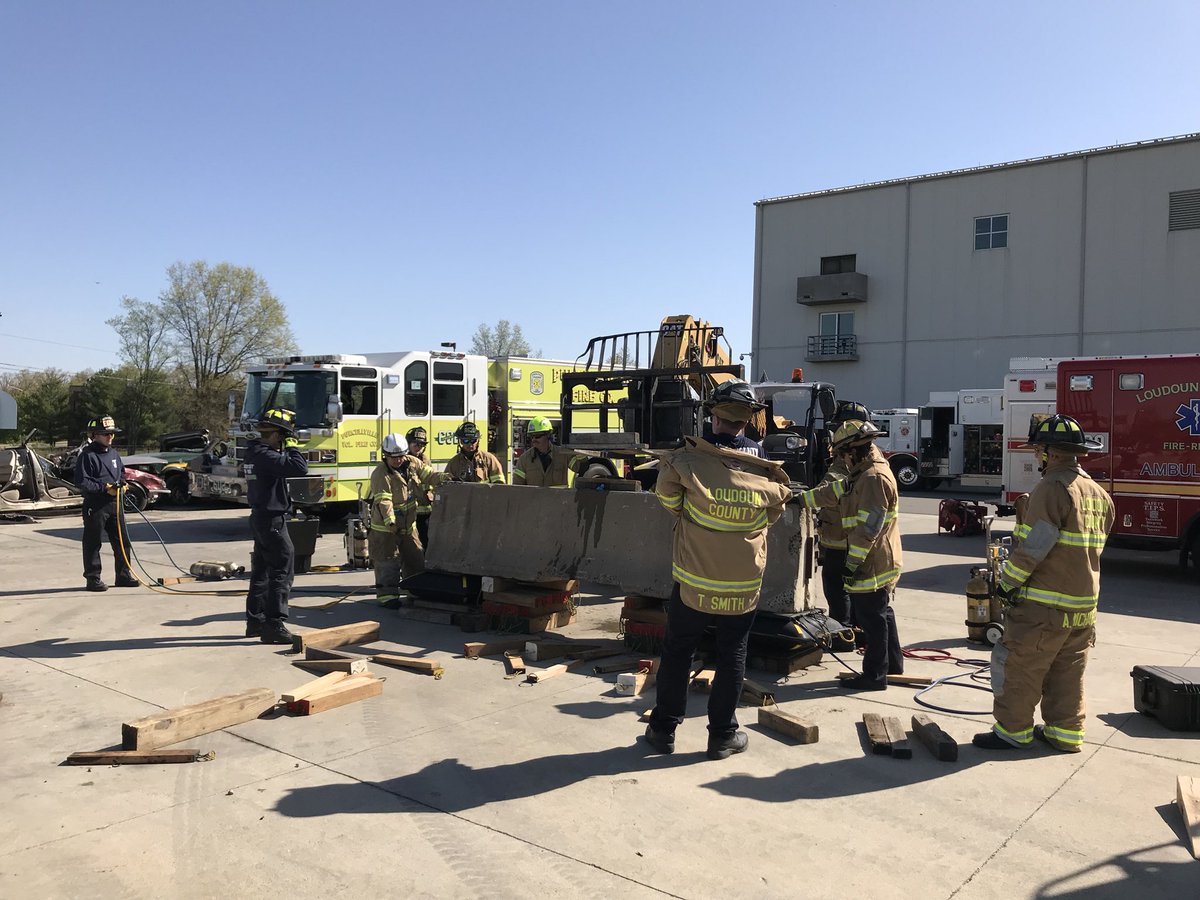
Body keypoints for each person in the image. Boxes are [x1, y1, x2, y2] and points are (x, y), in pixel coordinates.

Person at [644, 381, 793, 760]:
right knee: (732, 656)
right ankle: (723, 736)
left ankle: (663, 731)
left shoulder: (688, 460)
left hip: (694, 582)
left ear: (713, 416)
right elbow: (772, 516)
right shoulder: (765, 470)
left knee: (678, 652)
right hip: (742, 588)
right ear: (747, 421)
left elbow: (667, 499)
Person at [973, 414, 1114, 753]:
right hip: (1083, 606)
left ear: (1050, 452)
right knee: (1067, 671)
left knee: (1019, 664)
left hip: (1045, 606)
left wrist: (1006, 583)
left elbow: (1034, 546)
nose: (1037, 457)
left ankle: (1013, 732)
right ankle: (1065, 735)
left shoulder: (1051, 487)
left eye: (1038, 451)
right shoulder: (1097, 493)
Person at [800, 419, 904, 690]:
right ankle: (892, 665)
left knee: (872, 620)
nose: (841, 459)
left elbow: (867, 529)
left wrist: (851, 564)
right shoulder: (862, 472)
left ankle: (874, 677)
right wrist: (800, 499)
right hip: (877, 557)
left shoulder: (872, 478)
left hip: (871, 561)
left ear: (852, 450)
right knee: (882, 613)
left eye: (842, 454)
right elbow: (833, 493)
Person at [243, 407, 308, 644]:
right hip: (272, 520)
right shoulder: (267, 457)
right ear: (279, 435)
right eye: (284, 436)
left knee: (261, 571)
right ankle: (274, 624)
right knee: (282, 569)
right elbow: (300, 468)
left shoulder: (253, 453)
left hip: (259, 518)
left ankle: (255, 621)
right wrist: (292, 446)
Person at [368, 433, 450, 608]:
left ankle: (414, 590)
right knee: (388, 560)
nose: (398, 461)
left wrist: (444, 478)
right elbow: (384, 500)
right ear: (385, 456)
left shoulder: (413, 463)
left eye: (400, 456)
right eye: (393, 457)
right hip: (385, 528)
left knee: (415, 557)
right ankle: (387, 596)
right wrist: (391, 521)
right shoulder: (380, 474)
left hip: (408, 524)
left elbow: (429, 475)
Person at [74, 415, 137, 591]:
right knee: (93, 543)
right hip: (96, 506)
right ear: (94, 435)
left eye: (112, 434)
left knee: (122, 542)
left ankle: (124, 576)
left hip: (115, 504)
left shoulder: (114, 454)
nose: (110, 437)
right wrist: (104, 488)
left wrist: (123, 484)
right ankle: (93, 579)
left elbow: (122, 473)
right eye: (105, 434)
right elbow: (82, 481)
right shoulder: (87, 456)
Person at [512, 416, 572, 487]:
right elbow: (517, 487)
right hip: (535, 498)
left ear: (548, 435)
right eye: (531, 436)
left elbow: (582, 467)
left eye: (537, 436)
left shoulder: (563, 454)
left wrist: (576, 446)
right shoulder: (524, 459)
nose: (534, 440)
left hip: (558, 497)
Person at [405, 426, 433, 545]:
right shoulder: (403, 460)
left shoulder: (426, 460)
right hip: (409, 511)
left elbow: (430, 480)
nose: (418, 447)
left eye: (421, 445)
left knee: (426, 540)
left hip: (426, 510)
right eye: (415, 444)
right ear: (408, 444)